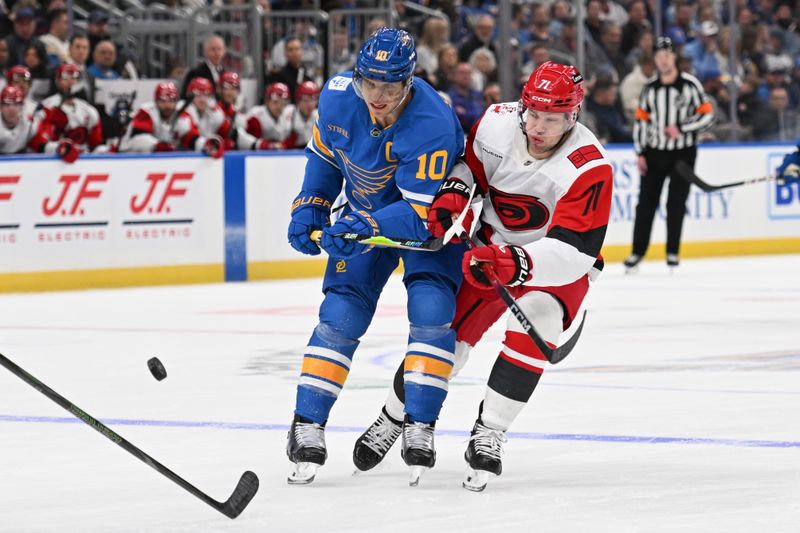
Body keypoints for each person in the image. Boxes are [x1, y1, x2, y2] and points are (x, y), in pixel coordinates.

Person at [353, 61, 613, 491]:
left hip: (550, 262)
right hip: (489, 248)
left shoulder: (589, 167)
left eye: (552, 119)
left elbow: (575, 251)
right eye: (533, 114)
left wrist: (517, 262)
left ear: (573, 117)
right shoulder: (497, 122)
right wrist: (456, 194)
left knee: (539, 319)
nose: (538, 127)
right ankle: (392, 415)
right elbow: (469, 169)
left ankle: (490, 430)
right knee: (442, 340)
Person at [285, 27, 465, 486]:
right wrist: (312, 202)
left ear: (409, 82)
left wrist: (368, 226)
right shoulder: (337, 97)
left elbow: (422, 212)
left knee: (432, 310)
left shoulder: (433, 123)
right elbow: (325, 158)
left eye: (389, 87)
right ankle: (307, 424)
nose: (378, 97)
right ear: (357, 76)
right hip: (364, 215)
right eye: (370, 84)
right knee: (340, 312)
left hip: (427, 225)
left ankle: (419, 425)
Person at [624, 37, 713, 272]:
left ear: (674, 57)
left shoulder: (690, 85)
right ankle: (637, 253)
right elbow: (641, 123)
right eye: (659, 56)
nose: (663, 60)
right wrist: (640, 153)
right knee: (646, 205)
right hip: (654, 153)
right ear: (654, 60)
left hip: (683, 154)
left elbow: (706, 114)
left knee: (676, 203)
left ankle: (672, 253)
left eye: (667, 55)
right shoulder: (650, 89)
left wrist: (682, 128)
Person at [30, 63, 103, 163]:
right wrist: (58, 148)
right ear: (57, 81)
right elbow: (38, 143)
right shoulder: (46, 108)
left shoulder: (89, 111)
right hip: (51, 161)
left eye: (74, 77)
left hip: (83, 162)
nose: (70, 82)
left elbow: (95, 144)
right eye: (65, 77)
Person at [173, 77, 229, 158]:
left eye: (206, 95)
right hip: (181, 157)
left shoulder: (213, 110)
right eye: (198, 95)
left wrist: (253, 144)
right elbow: (188, 137)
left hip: (203, 156)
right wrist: (208, 145)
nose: (202, 100)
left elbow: (230, 132)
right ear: (190, 96)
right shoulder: (183, 109)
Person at [116, 81, 180, 153]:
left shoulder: (178, 113)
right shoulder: (146, 112)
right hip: (126, 155)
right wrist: (159, 146)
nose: (167, 105)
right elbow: (140, 139)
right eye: (163, 101)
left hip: (151, 156)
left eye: (172, 101)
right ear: (156, 101)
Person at [244, 82, 295, 149]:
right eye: (275, 102)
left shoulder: (289, 114)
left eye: (283, 102)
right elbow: (245, 141)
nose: (279, 106)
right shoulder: (256, 114)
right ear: (267, 101)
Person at [180, 35, 226, 100]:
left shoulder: (225, 73)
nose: (217, 53)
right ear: (205, 52)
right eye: (213, 49)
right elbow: (186, 98)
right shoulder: (195, 74)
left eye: (219, 49)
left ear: (224, 51)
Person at [0, 84, 36, 154]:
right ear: (0, 106)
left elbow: (43, 147)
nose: (11, 109)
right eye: (7, 104)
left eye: (16, 104)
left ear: (22, 107)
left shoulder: (30, 126)